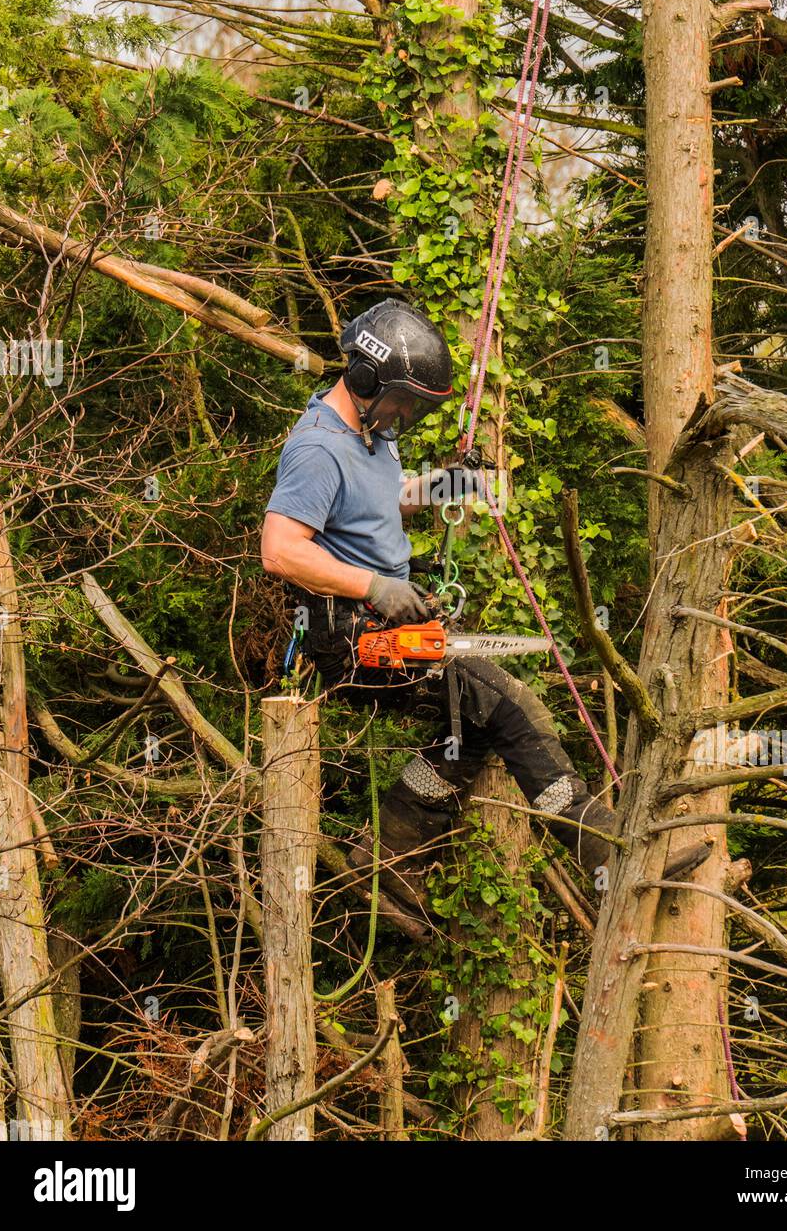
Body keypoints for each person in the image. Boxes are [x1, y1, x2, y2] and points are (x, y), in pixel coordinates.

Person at [261, 299, 671, 916]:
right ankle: (600, 843)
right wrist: (375, 588)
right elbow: (280, 551)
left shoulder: (370, 435)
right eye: (403, 402)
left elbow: (378, 503)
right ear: (368, 378)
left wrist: (449, 484)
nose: (407, 416)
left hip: (382, 625)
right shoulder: (318, 448)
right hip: (347, 638)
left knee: (469, 726)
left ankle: (389, 851)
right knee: (508, 703)